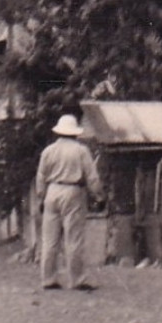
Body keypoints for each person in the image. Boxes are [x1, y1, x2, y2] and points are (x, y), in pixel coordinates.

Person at [35, 113, 104, 291]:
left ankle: (48, 279)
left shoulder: (48, 151)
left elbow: (41, 177)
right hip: (73, 191)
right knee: (73, 238)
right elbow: (92, 177)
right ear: (75, 133)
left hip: (52, 190)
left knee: (49, 239)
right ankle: (77, 279)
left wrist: (41, 197)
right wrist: (99, 196)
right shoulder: (81, 151)